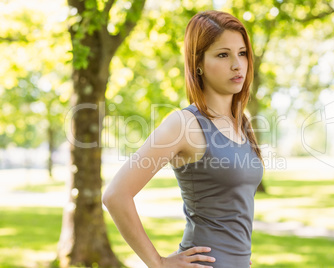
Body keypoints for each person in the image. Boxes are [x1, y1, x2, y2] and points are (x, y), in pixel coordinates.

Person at [102, 10, 265, 268]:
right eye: (223, 54)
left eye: (242, 53)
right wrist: (158, 262)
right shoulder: (184, 124)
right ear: (197, 64)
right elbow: (115, 195)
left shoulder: (241, 122)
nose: (237, 64)